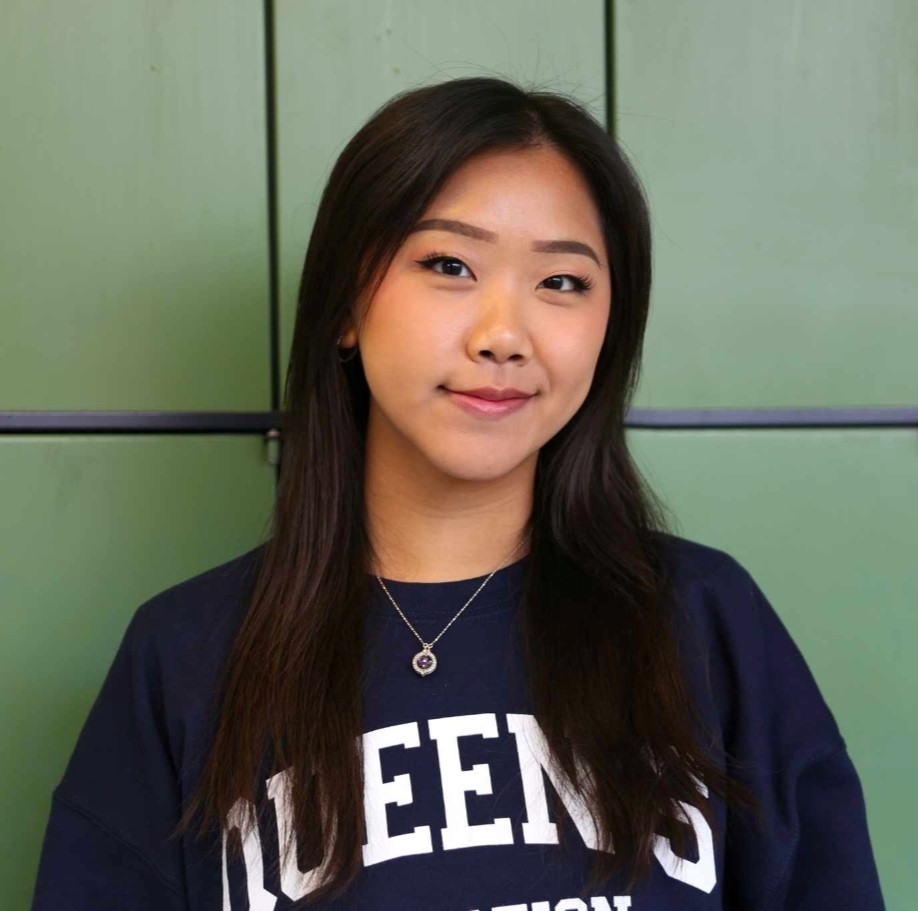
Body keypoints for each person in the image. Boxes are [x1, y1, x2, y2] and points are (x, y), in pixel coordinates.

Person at [31, 76, 885, 910]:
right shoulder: (185, 658)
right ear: (347, 304)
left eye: (562, 282)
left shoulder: (707, 624)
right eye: (449, 264)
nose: (504, 335)